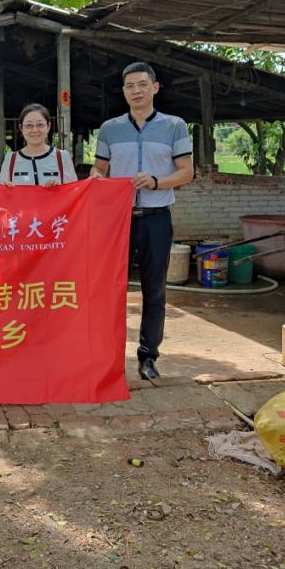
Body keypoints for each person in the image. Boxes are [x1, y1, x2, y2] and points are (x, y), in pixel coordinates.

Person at [90, 62, 193, 380]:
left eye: (142, 84)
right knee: (110, 290)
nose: (136, 91)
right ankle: (107, 357)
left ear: (155, 88)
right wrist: (96, 178)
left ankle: (148, 356)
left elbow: (186, 172)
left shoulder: (174, 126)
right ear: (123, 91)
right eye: (130, 86)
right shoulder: (109, 129)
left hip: (156, 219)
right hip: (117, 221)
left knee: (154, 291)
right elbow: (99, 169)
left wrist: (156, 182)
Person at [0, 103, 77, 186]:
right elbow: (0, 192)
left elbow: (73, 191)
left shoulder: (62, 157)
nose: (35, 130)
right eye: (29, 125)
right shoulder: (10, 159)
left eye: (40, 124)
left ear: (48, 126)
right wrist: (6, 189)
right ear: (21, 128)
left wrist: (59, 189)